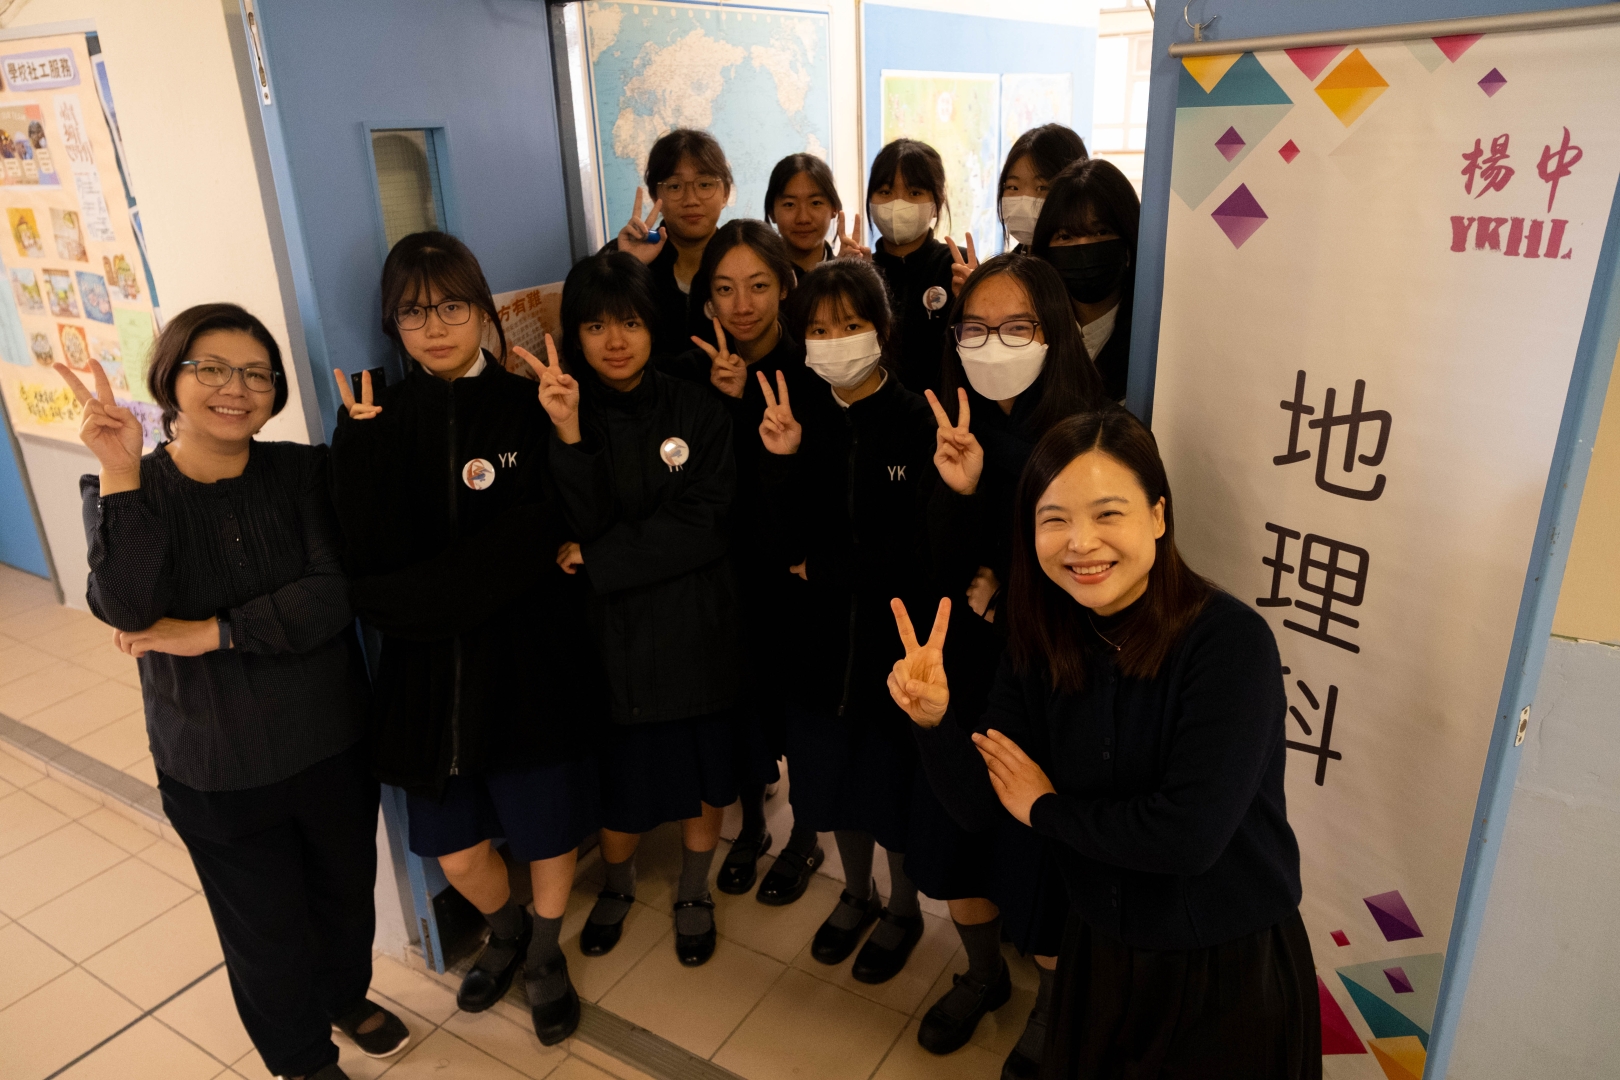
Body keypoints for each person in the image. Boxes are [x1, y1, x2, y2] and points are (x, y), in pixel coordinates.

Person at [892, 409, 1319, 1079]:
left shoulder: (1228, 644)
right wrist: (933, 722)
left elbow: (1187, 838)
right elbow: (980, 805)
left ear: (1158, 515)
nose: (1080, 542)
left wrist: (1046, 809)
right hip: (1098, 950)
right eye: (1054, 518)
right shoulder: (1039, 641)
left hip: (1223, 964)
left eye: (1107, 514)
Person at [64, 304, 406, 1080]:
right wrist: (120, 470)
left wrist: (212, 632)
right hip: (214, 760)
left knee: (345, 895)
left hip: (330, 738)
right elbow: (126, 607)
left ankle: (343, 995)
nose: (236, 388)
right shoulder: (127, 489)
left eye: (256, 374)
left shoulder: (302, 472)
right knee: (263, 928)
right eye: (212, 369)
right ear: (171, 379)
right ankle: (301, 1060)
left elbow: (331, 593)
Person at [329, 231, 600, 1046]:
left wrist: (437, 591)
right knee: (454, 849)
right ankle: (507, 930)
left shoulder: (528, 403)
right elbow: (367, 573)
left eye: (452, 307)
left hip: (528, 660)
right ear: (394, 326)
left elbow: (564, 527)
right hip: (428, 678)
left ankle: (545, 952)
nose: (435, 327)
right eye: (413, 314)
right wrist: (361, 454)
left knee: (546, 828)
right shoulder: (375, 421)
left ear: (484, 311)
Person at [908, 253, 1110, 1075]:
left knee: (1038, 854)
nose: (993, 345)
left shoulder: (1096, 436)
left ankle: (1053, 1007)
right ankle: (983, 974)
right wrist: (960, 492)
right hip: (961, 672)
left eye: (1016, 327)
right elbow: (935, 566)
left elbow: (1101, 578)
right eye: (977, 329)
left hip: (1052, 684)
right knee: (958, 836)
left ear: (1053, 332)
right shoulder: (955, 423)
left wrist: (1006, 593)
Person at [537, 250, 741, 968]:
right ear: (574, 335)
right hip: (609, 637)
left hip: (694, 626)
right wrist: (568, 434)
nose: (615, 341)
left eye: (629, 322)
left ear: (653, 325)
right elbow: (577, 523)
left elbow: (708, 520)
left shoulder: (697, 405)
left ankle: (693, 889)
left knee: (704, 774)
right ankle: (618, 884)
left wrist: (601, 558)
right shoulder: (562, 412)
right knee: (620, 779)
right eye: (595, 326)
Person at [753, 257, 937, 982]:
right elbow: (777, 546)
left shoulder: (917, 419)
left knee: (891, 790)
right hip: (816, 648)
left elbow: (918, 552)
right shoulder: (797, 414)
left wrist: (828, 568)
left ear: (882, 330)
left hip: (894, 650)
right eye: (820, 329)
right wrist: (781, 462)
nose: (835, 341)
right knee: (834, 788)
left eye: (851, 325)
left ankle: (904, 909)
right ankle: (856, 894)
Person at [663, 219, 823, 902]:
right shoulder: (686, 372)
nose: (742, 304)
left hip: (792, 574)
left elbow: (806, 483)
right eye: (724, 289)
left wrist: (746, 399)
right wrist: (722, 399)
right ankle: (752, 825)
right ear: (706, 300)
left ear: (786, 286)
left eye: (758, 285)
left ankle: (807, 834)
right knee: (740, 710)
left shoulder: (814, 367)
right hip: (719, 578)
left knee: (802, 713)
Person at [610, 128, 734, 356]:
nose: (691, 200)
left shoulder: (745, 258)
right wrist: (629, 268)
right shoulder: (619, 256)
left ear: (725, 193)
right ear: (654, 196)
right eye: (675, 186)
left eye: (705, 184)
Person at [1031, 158, 1140, 403]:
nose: (1083, 248)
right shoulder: (1030, 332)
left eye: (1101, 232)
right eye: (1065, 236)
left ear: (1129, 243)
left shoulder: (1154, 342)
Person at [950, 124, 1089, 296]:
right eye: (1013, 187)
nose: (1024, 200)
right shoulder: (1006, 272)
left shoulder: (1085, 274)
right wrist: (976, 297)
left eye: (1042, 187)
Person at [866, 138, 955, 396]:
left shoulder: (956, 266)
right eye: (885, 192)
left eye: (914, 193)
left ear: (937, 202)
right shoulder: (862, 271)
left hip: (942, 412)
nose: (898, 203)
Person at [763, 152, 870, 274]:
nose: (803, 218)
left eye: (815, 203)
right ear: (772, 213)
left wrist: (854, 278)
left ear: (834, 209)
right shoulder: (762, 278)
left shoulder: (847, 272)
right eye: (789, 204)